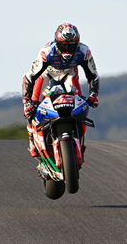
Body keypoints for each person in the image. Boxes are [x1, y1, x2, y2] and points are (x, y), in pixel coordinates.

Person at [22, 23, 99, 157]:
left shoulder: (84, 51)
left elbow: (92, 75)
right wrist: (27, 101)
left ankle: (78, 138)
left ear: (78, 43)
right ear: (57, 42)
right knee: (31, 107)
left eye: (71, 45)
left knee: (80, 104)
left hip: (69, 73)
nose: (68, 50)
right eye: (64, 45)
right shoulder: (47, 52)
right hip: (46, 73)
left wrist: (93, 95)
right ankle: (32, 141)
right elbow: (30, 76)